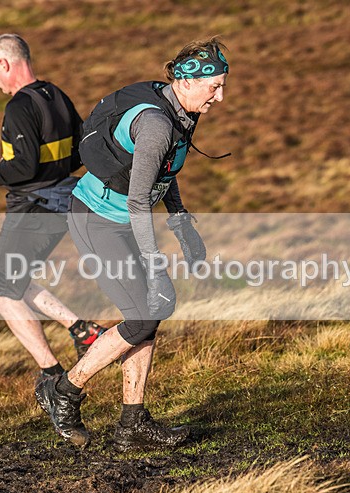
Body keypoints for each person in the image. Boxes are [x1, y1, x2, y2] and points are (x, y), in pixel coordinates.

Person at [35, 38, 229, 450]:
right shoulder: (158, 124)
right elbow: (140, 199)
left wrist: (182, 225)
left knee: (151, 312)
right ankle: (65, 391)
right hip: (97, 220)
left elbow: (165, 171)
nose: (220, 97)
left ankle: (132, 424)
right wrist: (157, 266)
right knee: (143, 315)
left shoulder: (181, 111)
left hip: (123, 219)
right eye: (214, 87)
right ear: (186, 81)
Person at [0, 34, 105, 381]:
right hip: (62, 204)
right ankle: (82, 330)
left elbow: (22, 168)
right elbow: (81, 152)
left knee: (3, 295)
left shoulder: (19, 107)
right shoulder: (56, 95)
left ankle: (52, 376)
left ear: (5, 64)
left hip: (33, 209)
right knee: (14, 280)